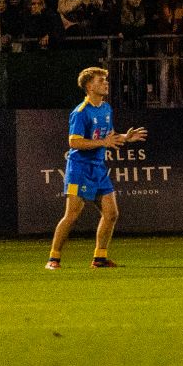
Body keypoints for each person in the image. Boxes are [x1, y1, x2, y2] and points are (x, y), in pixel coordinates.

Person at [46, 66, 147, 270]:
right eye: (101, 81)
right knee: (72, 215)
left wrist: (125, 138)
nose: (106, 83)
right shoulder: (81, 112)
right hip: (79, 169)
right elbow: (74, 142)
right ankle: (53, 259)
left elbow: (107, 137)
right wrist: (103, 143)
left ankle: (99, 259)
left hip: (98, 168)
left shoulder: (106, 108)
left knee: (111, 213)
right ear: (90, 86)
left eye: (106, 80)